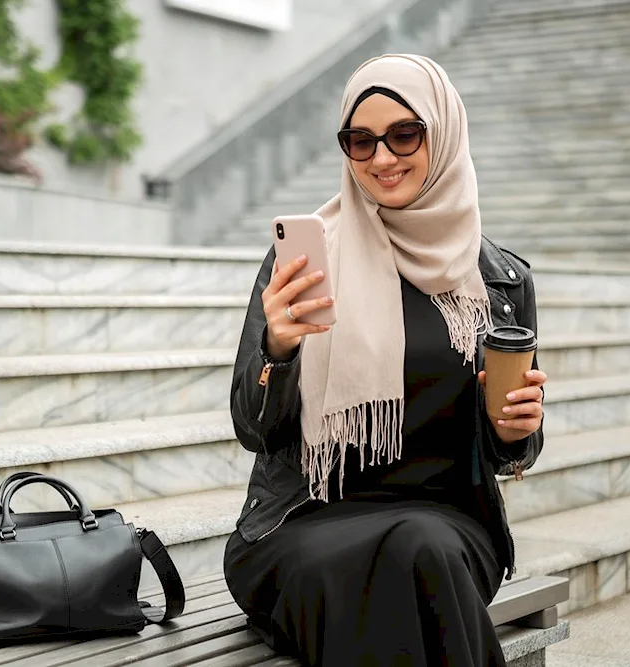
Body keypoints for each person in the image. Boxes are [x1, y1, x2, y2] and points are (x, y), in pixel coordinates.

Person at [223, 54, 547, 667]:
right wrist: (279, 349)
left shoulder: (498, 282)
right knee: (402, 574)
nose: (381, 158)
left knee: (419, 550)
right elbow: (253, 429)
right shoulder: (306, 261)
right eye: (360, 140)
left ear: (444, 133)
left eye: (405, 134)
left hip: (447, 523)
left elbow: (517, 449)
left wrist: (514, 432)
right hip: (305, 523)